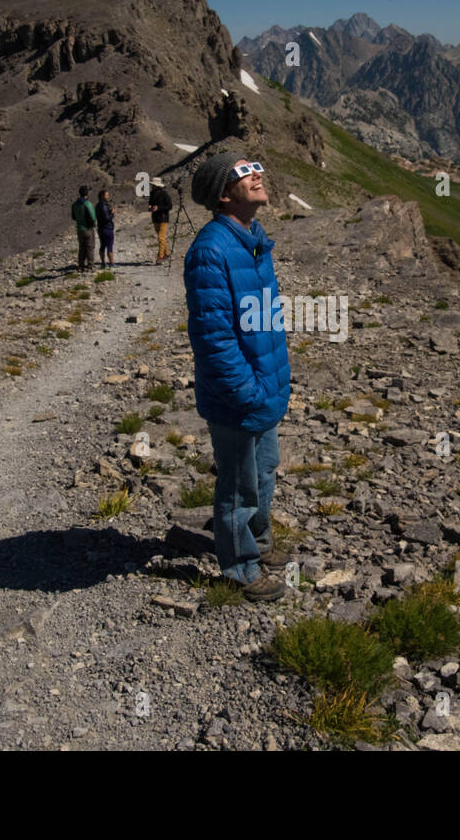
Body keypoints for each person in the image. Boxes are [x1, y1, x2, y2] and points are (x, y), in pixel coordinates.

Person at [184, 153, 291, 602]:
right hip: (238, 395)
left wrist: (272, 382)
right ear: (224, 194)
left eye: (257, 168)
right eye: (245, 173)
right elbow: (214, 337)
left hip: (263, 387)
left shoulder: (252, 238)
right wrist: (247, 390)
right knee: (238, 484)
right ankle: (240, 569)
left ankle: (259, 544)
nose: (257, 175)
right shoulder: (211, 249)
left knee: (263, 470)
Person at [72, 185, 97, 273]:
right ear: (87, 193)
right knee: (90, 247)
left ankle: (81, 265)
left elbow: (73, 217)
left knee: (82, 247)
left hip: (79, 228)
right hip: (88, 228)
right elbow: (93, 217)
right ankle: (90, 266)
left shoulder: (75, 204)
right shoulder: (87, 203)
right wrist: (94, 224)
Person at [149, 177, 172, 264]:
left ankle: (160, 256)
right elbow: (150, 203)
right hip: (155, 218)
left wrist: (158, 208)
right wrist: (150, 207)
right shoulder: (152, 193)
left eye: (153, 185)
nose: (152, 186)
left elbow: (169, 206)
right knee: (161, 237)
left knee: (160, 237)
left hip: (163, 218)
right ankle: (167, 253)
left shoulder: (164, 194)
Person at [95, 189, 116, 268]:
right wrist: (112, 213)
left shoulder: (97, 205)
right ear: (102, 196)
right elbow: (107, 218)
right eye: (106, 195)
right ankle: (111, 263)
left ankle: (103, 263)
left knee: (102, 245)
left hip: (100, 228)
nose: (108, 196)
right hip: (107, 228)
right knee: (110, 246)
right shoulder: (104, 206)